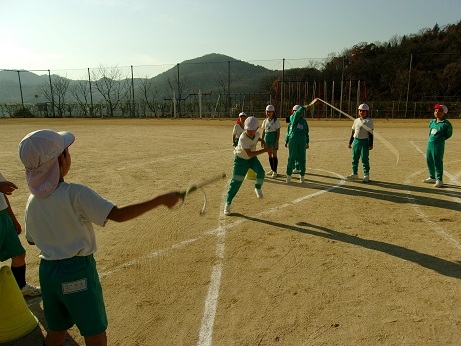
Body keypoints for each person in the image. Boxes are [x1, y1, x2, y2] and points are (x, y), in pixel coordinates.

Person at [18, 129, 182, 346]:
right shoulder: (75, 193)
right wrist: (159, 200)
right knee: (95, 334)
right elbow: (118, 215)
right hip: (77, 272)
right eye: (66, 152)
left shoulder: (32, 201)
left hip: (47, 273)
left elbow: (31, 240)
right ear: (60, 160)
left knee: (57, 330)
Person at [0, 174, 41, 297]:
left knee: (18, 254)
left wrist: (11, 217)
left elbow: (3, 194)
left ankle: (21, 286)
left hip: (2, 216)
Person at [224, 117, 272, 216]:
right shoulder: (242, 137)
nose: (250, 131)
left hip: (252, 159)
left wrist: (262, 140)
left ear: (257, 128)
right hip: (241, 160)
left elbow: (256, 137)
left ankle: (257, 187)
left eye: (252, 129)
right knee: (236, 183)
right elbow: (249, 153)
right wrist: (265, 150)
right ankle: (228, 203)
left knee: (261, 172)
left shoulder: (257, 134)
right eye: (248, 129)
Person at [423, 104, 453, 188]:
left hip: (438, 145)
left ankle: (439, 179)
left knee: (437, 161)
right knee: (429, 160)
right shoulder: (432, 122)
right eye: (436, 110)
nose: (437, 112)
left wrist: (440, 139)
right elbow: (430, 132)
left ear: (444, 113)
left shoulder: (446, 124)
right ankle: (432, 177)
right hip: (430, 143)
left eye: (439, 111)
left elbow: (449, 134)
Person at [347, 103, 374, 183]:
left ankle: (366, 174)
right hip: (356, 141)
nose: (361, 112)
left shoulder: (369, 121)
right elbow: (353, 132)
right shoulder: (356, 120)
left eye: (363, 111)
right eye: (360, 111)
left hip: (364, 141)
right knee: (354, 158)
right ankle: (354, 173)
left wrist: (371, 144)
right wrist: (350, 142)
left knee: (364, 158)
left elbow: (371, 134)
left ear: (367, 112)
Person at [285, 105, 309, 183]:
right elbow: (288, 132)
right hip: (294, 139)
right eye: (294, 111)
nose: (296, 113)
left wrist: (307, 141)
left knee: (302, 157)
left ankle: (302, 175)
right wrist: (287, 140)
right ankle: (289, 175)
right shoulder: (292, 118)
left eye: (297, 111)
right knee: (292, 157)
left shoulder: (304, 121)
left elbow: (306, 132)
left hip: (302, 139)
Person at [261, 105, 281, 178]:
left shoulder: (276, 121)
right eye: (267, 112)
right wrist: (262, 140)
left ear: (273, 112)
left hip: (273, 138)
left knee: (274, 154)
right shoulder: (265, 121)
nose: (269, 113)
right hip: (267, 138)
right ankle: (272, 169)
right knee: (269, 154)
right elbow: (263, 131)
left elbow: (278, 131)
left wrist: (276, 141)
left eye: (270, 112)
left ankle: (275, 171)